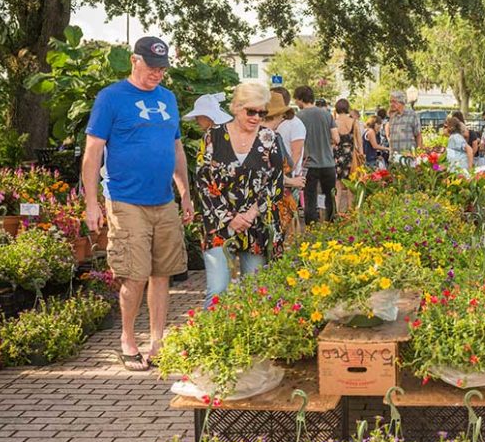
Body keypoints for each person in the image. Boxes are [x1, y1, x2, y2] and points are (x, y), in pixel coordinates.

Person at [83, 36, 192, 371]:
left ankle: (157, 343)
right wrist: (91, 202)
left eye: (162, 68)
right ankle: (128, 339)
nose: (157, 74)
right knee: (135, 275)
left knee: (162, 275)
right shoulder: (111, 98)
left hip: (163, 201)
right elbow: (93, 152)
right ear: (134, 60)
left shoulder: (168, 99)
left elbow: (176, 150)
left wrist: (185, 192)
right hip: (125, 200)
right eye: (152, 67)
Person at [196, 84, 289, 305]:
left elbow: (275, 183)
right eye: (251, 111)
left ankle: (250, 338)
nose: (257, 117)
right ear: (236, 107)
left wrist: (250, 214)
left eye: (262, 112)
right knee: (218, 289)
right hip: (218, 224)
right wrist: (231, 217)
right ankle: (213, 338)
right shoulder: (213, 137)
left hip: (255, 225)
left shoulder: (270, 139)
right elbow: (202, 181)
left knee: (256, 290)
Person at [294, 85, 338, 224]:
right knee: (330, 197)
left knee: (310, 198)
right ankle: (332, 223)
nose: (296, 103)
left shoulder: (298, 117)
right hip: (328, 163)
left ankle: (312, 226)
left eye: (296, 100)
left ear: (301, 99)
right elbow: (336, 138)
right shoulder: (327, 114)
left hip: (309, 164)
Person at [333, 98, 359, 212]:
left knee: (337, 186)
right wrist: (361, 155)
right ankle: (350, 212)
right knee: (350, 186)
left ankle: (336, 212)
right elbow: (359, 142)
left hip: (337, 157)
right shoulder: (353, 122)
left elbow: (333, 141)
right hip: (351, 157)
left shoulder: (333, 122)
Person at [387, 90, 422, 160]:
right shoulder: (392, 116)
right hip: (394, 158)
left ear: (401, 102)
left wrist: (418, 154)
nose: (391, 104)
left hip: (408, 158)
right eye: (390, 102)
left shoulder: (412, 115)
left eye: (394, 101)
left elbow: (418, 135)